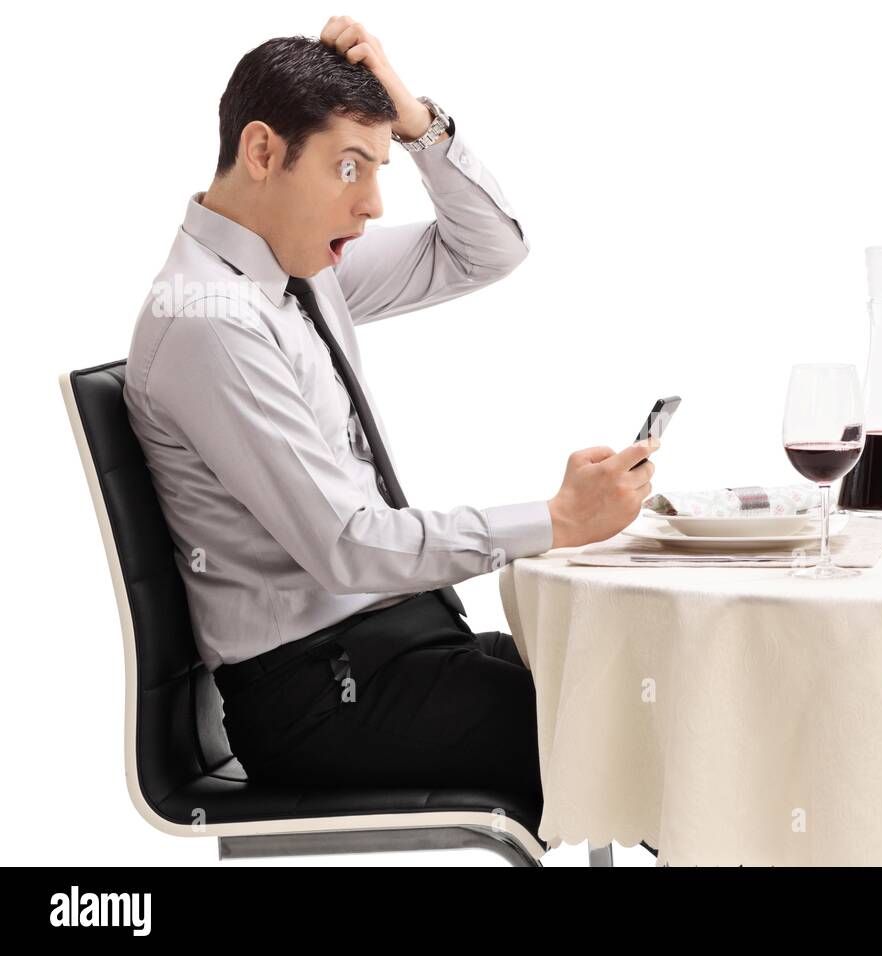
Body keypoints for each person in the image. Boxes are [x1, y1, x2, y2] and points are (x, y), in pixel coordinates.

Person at [123, 18, 659, 806]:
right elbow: (346, 546)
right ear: (263, 152)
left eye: (377, 170)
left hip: (394, 652)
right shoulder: (211, 319)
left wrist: (421, 127)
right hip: (323, 696)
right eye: (348, 168)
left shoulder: (293, 273)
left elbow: (486, 251)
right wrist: (558, 520)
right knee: (645, 738)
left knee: (657, 694)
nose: (372, 204)